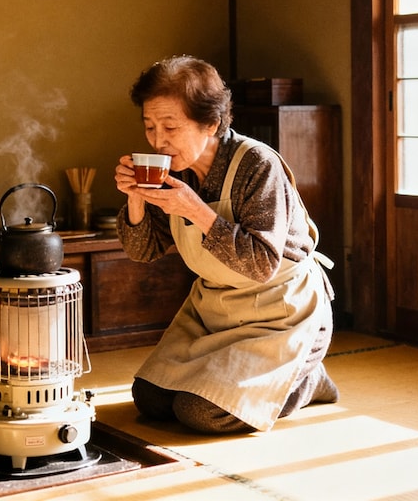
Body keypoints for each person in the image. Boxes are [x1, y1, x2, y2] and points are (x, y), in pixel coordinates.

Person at [114, 55, 337, 434]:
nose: (158, 140)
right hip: (216, 311)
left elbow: (261, 264)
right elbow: (143, 251)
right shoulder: (173, 168)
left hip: (279, 316)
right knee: (150, 399)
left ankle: (306, 379)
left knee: (199, 412)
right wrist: (134, 197)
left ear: (211, 124)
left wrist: (196, 210)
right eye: (150, 126)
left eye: (171, 126)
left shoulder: (258, 166)